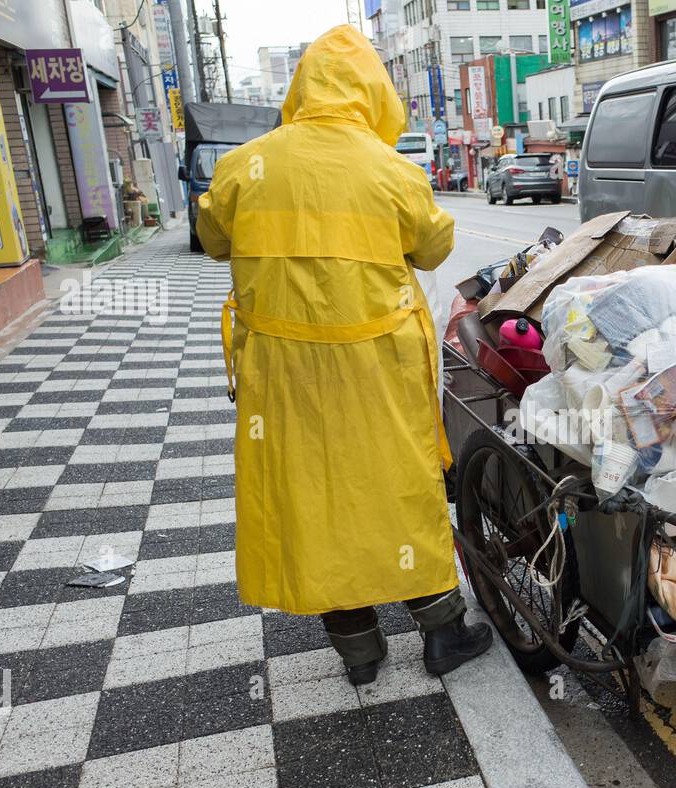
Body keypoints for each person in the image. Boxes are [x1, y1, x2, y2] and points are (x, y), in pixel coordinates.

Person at [197, 25, 490, 686]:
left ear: (301, 89)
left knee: (312, 498)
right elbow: (435, 248)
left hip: (281, 374)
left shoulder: (245, 166)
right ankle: (443, 634)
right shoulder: (390, 169)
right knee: (398, 488)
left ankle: (359, 652)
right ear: (372, 92)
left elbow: (213, 237)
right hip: (377, 366)